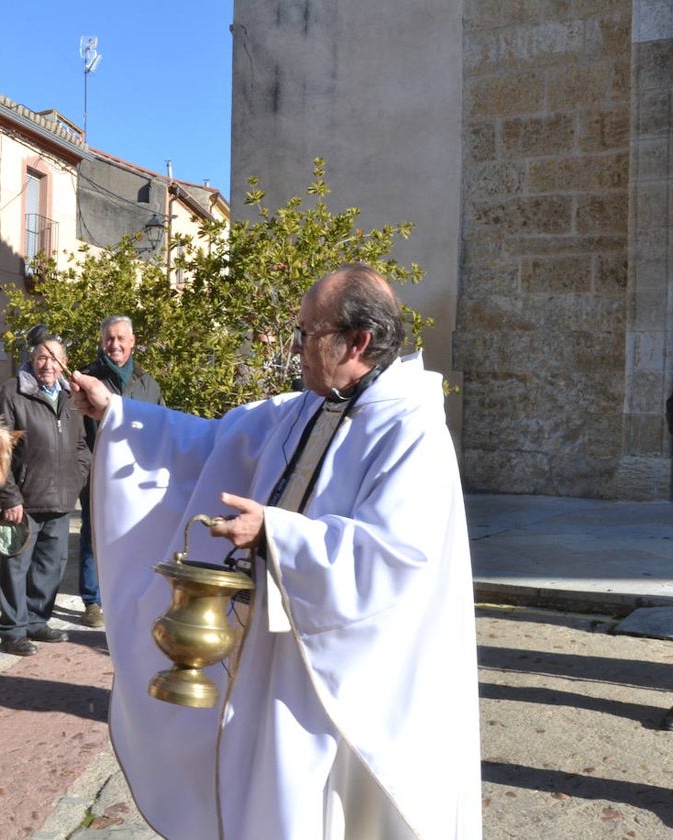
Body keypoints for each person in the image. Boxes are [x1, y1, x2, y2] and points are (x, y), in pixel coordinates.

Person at [70, 264, 482, 839]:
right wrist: (116, 411)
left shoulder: (410, 428)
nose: (296, 349)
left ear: (357, 341)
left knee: (325, 810)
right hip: (277, 646)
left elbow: (397, 558)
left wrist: (277, 534)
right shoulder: (311, 404)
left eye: (307, 334)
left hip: (340, 676)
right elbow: (214, 442)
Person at [0, 333, 90, 656]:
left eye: (54, 358)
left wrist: (78, 477)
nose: (48, 364)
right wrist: (9, 497)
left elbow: (80, 446)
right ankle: (13, 630)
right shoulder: (11, 393)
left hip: (61, 499)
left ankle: (36, 621)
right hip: (24, 500)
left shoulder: (71, 397)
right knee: (16, 566)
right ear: (32, 360)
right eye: (41, 357)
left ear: (64, 364)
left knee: (51, 566)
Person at [76, 315, 163, 628]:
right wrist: (89, 471)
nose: (114, 344)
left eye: (120, 338)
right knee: (93, 537)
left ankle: (127, 595)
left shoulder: (146, 382)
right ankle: (92, 601)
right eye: (109, 338)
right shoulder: (88, 379)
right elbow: (78, 433)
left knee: (133, 536)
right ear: (102, 342)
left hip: (137, 477)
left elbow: (161, 426)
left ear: (132, 341)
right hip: (98, 474)